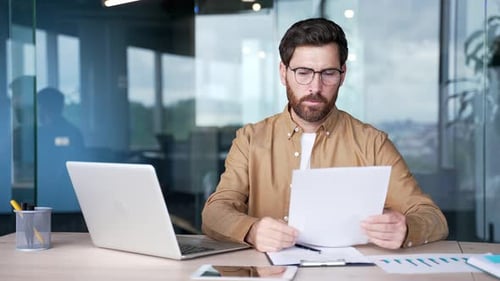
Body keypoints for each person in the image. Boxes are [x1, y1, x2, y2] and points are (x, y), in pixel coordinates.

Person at [201, 18, 449, 252]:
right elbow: (215, 213)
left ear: (343, 75)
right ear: (283, 72)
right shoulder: (250, 139)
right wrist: (252, 231)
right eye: (303, 72)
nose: (315, 87)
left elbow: (432, 217)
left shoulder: (372, 143)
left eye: (328, 73)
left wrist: (406, 230)